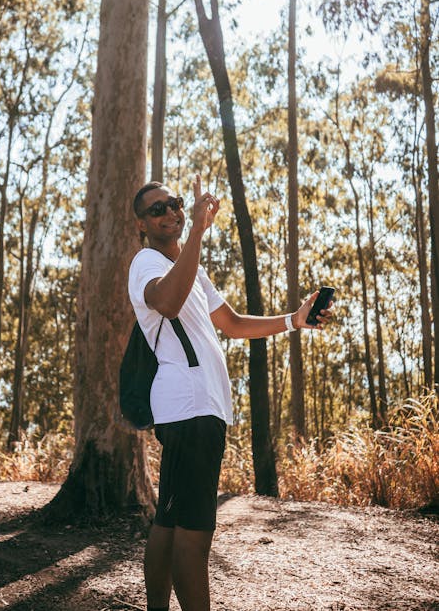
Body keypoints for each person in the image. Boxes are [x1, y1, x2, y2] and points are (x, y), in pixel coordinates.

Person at [128, 175, 333, 611]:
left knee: (169, 521)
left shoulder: (193, 269)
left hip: (198, 409)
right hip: (189, 409)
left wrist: (292, 320)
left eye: (174, 204)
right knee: (195, 537)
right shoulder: (146, 263)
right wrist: (199, 232)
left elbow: (235, 324)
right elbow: (164, 302)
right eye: (157, 209)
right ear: (141, 225)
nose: (170, 212)